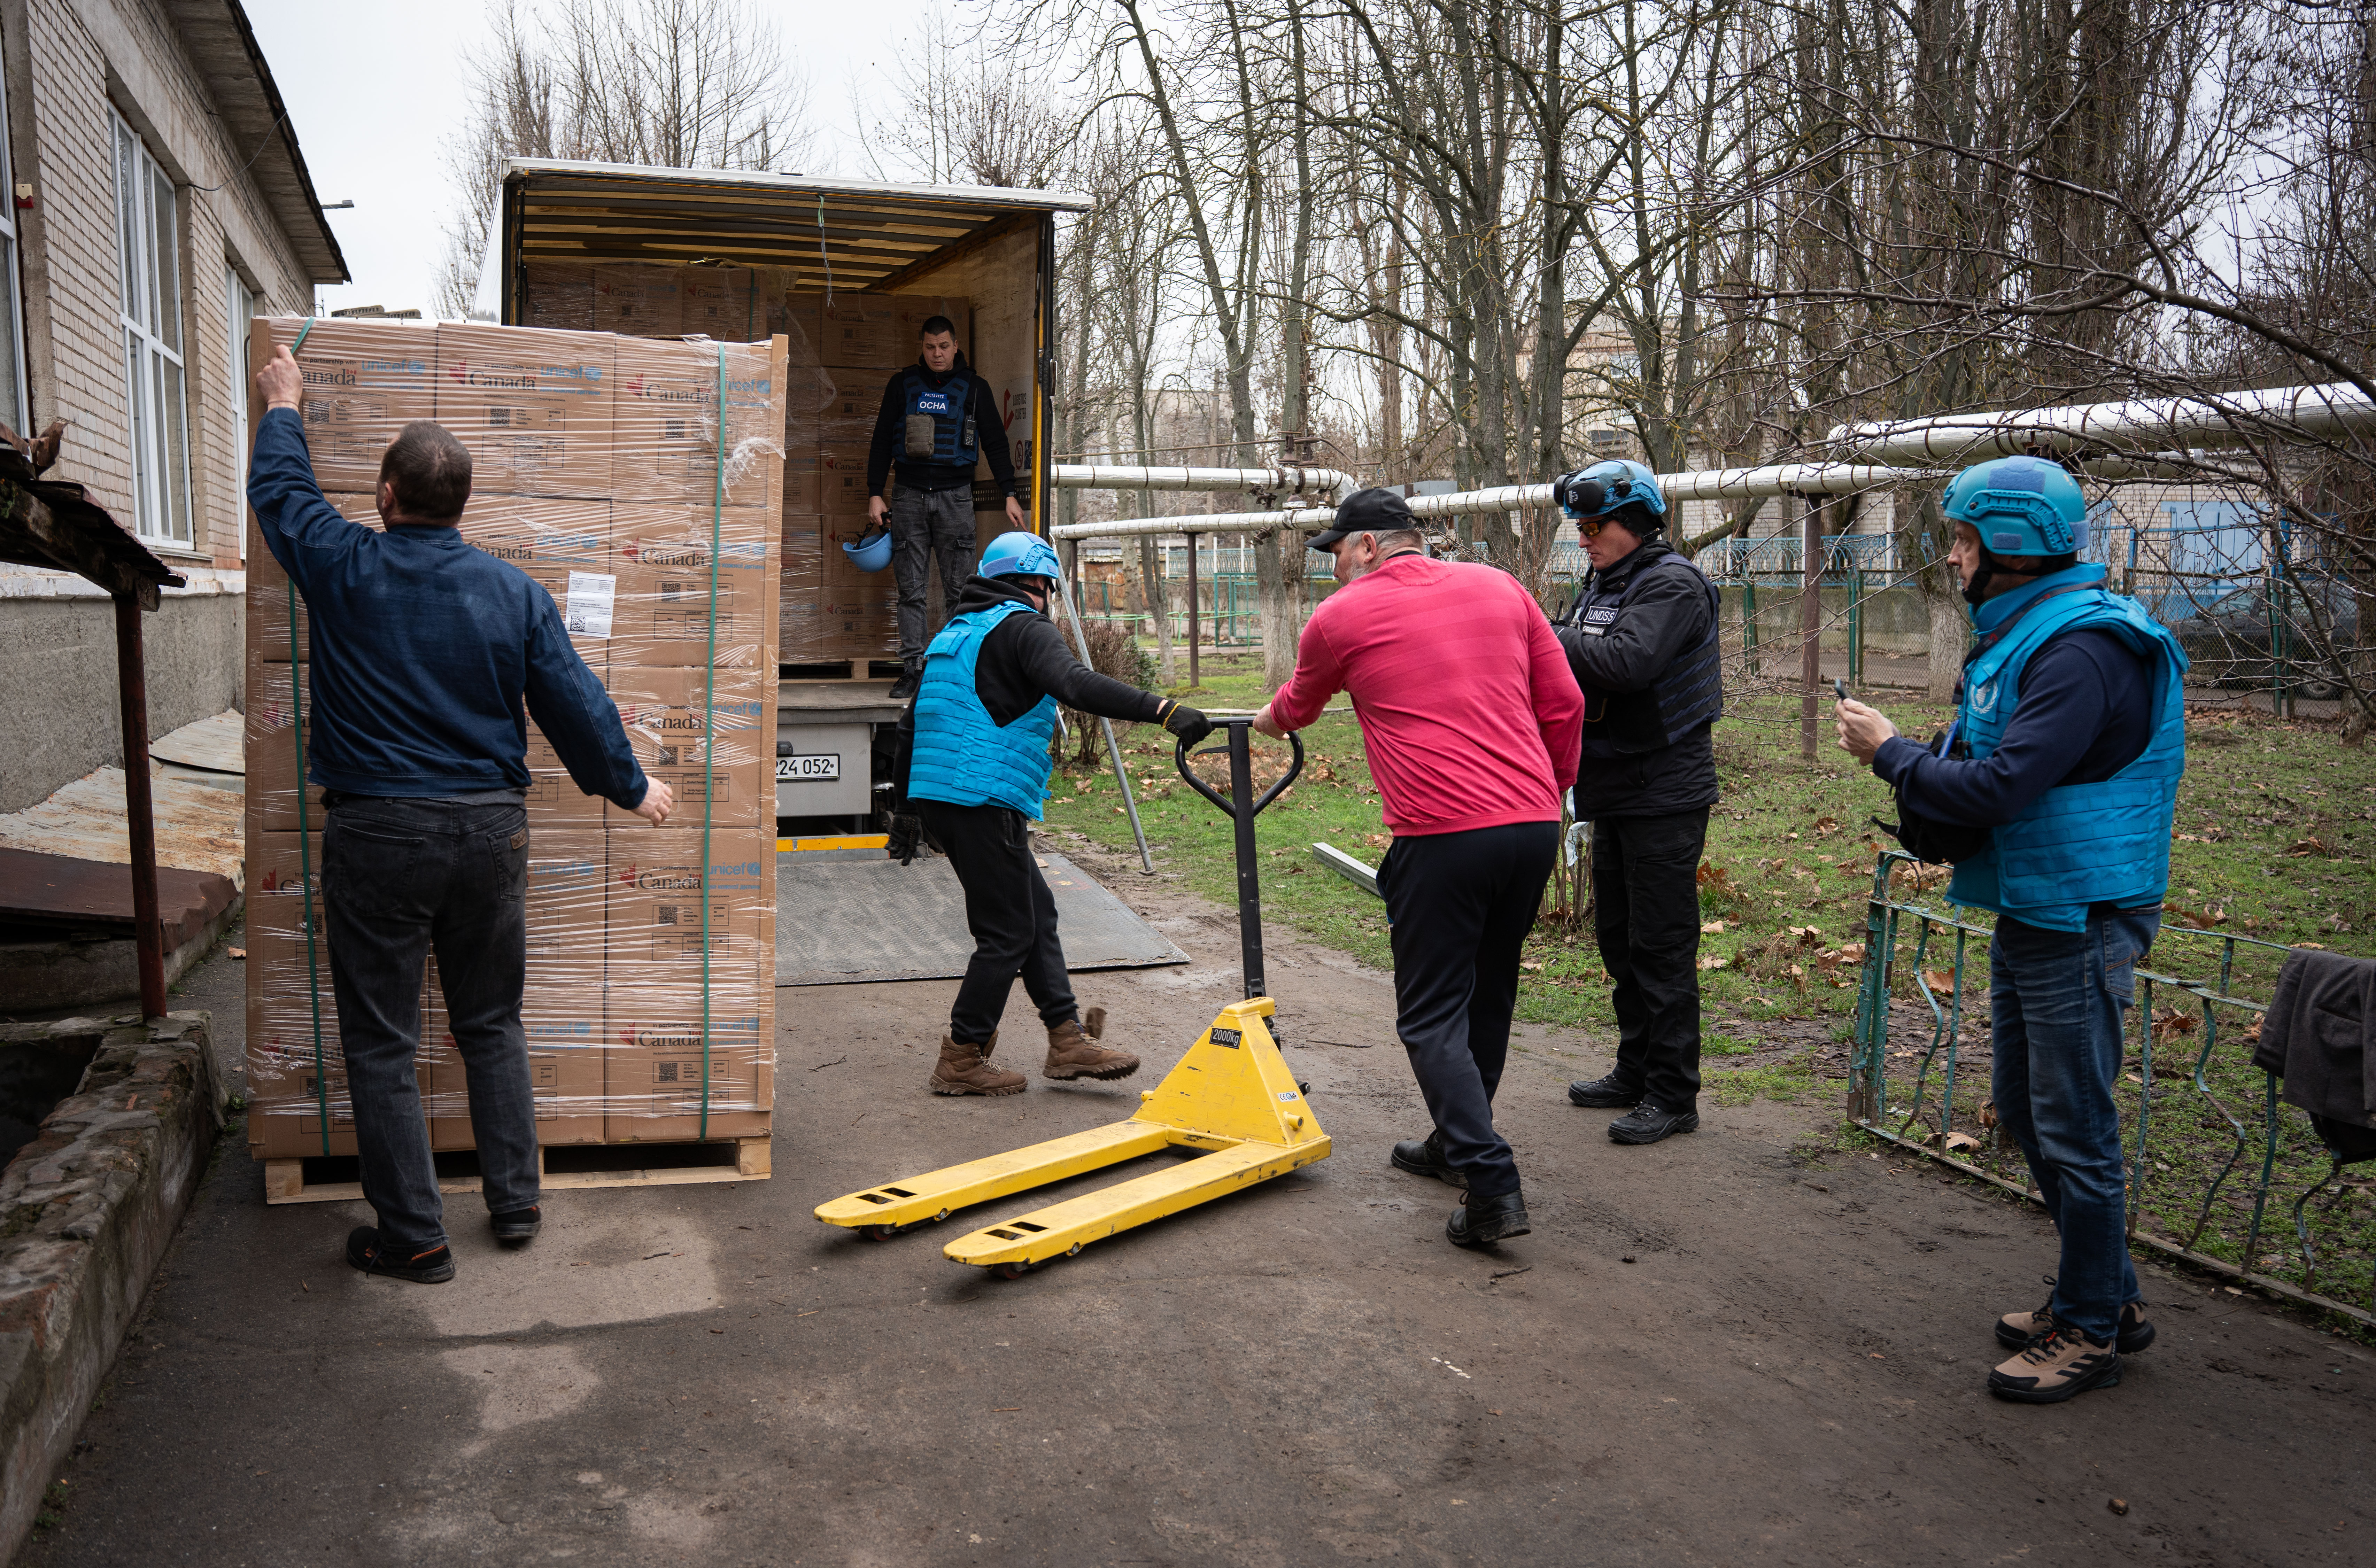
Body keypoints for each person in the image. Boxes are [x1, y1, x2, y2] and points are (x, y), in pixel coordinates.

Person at [248, 345, 673, 1286]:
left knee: (384, 1040)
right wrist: (629, 783)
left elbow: (280, 496)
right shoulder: (512, 591)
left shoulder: (343, 560)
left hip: (380, 833)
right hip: (489, 833)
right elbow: (571, 696)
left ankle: (414, 1235)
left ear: (386, 496)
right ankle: (514, 1200)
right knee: (491, 1020)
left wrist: (285, 405)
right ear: (462, 505)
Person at [1835, 454, 2186, 1405]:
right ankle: (2102, 1293)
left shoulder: (2081, 651)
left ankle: (2087, 1326)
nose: (1950, 558)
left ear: (2012, 546)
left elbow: (1998, 786)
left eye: (1961, 540)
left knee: (2071, 1125)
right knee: (2029, 1112)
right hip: (2039, 900)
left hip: (2080, 911)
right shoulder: (2036, 631)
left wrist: (1890, 753)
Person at [1255, 489, 1584, 1248]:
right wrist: (1551, 792)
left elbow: (1295, 709)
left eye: (1336, 551)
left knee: (1431, 1013)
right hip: (1531, 825)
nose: (1332, 568)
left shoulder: (1340, 617)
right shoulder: (1500, 586)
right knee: (1488, 990)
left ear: (1368, 545)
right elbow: (1562, 701)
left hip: (1444, 834)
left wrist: (1264, 719)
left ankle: (1490, 1182)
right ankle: (1452, 1142)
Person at [887, 531, 1213, 1095]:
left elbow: (911, 724)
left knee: (1033, 912)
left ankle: (1066, 1040)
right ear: (1038, 582)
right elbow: (1074, 683)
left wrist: (904, 812)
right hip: (981, 796)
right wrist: (1164, 709)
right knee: (1008, 931)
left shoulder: (954, 634)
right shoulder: (1022, 626)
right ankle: (962, 1055)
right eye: (1048, 587)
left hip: (945, 798)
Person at [1548, 460, 1724, 1146]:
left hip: (1665, 792)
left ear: (1635, 525)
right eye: (1579, 526)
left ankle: (1673, 1093)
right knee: (1619, 939)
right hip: (1617, 785)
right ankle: (1634, 1068)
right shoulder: (1605, 582)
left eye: (1592, 526)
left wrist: (1540, 632)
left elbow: (1624, 664)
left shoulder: (1672, 585)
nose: (1582, 538)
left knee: (1660, 946)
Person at [867, 316, 1027, 700]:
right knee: (911, 590)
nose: (937, 354)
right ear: (921, 347)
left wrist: (1009, 491)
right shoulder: (901, 385)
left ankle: (955, 670)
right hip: (907, 496)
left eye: (943, 346)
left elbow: (995, 443)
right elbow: (880, 440)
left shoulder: (974, 389)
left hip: (955, 498)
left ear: (955, 346)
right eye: (929, 347)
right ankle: (912, 669)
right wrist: (875, 491)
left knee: (959, 590)